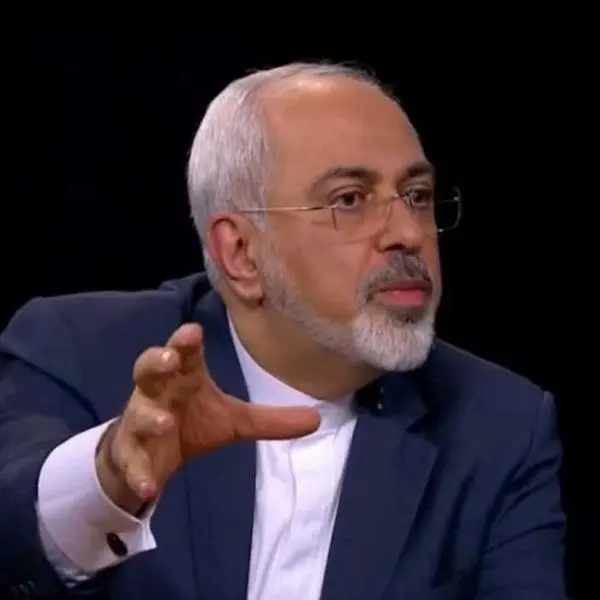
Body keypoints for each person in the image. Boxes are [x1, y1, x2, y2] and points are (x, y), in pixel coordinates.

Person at [0, 62, 565, 600]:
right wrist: (107, 484)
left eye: (416, 196)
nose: (409, 234)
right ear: (241, 253)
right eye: (350, 199)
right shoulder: (78, 351)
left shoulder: (500, 427)